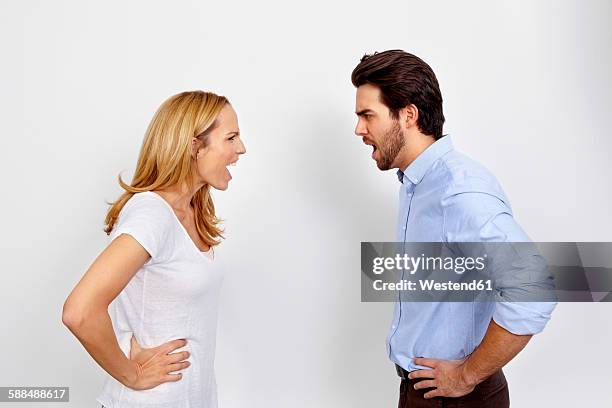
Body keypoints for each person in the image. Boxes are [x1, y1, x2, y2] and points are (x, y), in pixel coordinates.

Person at [351, 50, 556, 407]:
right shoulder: (417, 183)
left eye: (368, 115)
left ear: (408, 115)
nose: (359, 129)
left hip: (458, 398)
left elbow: (533, 289)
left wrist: (466, 375)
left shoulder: (457, 191)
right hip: (426, 390)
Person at [62, 90, 246, 408]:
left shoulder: (189, 212)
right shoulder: (152, 214)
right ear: (193, 147)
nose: (241, 148)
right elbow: (79, 311)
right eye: (231, 138)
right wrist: (131, 374)